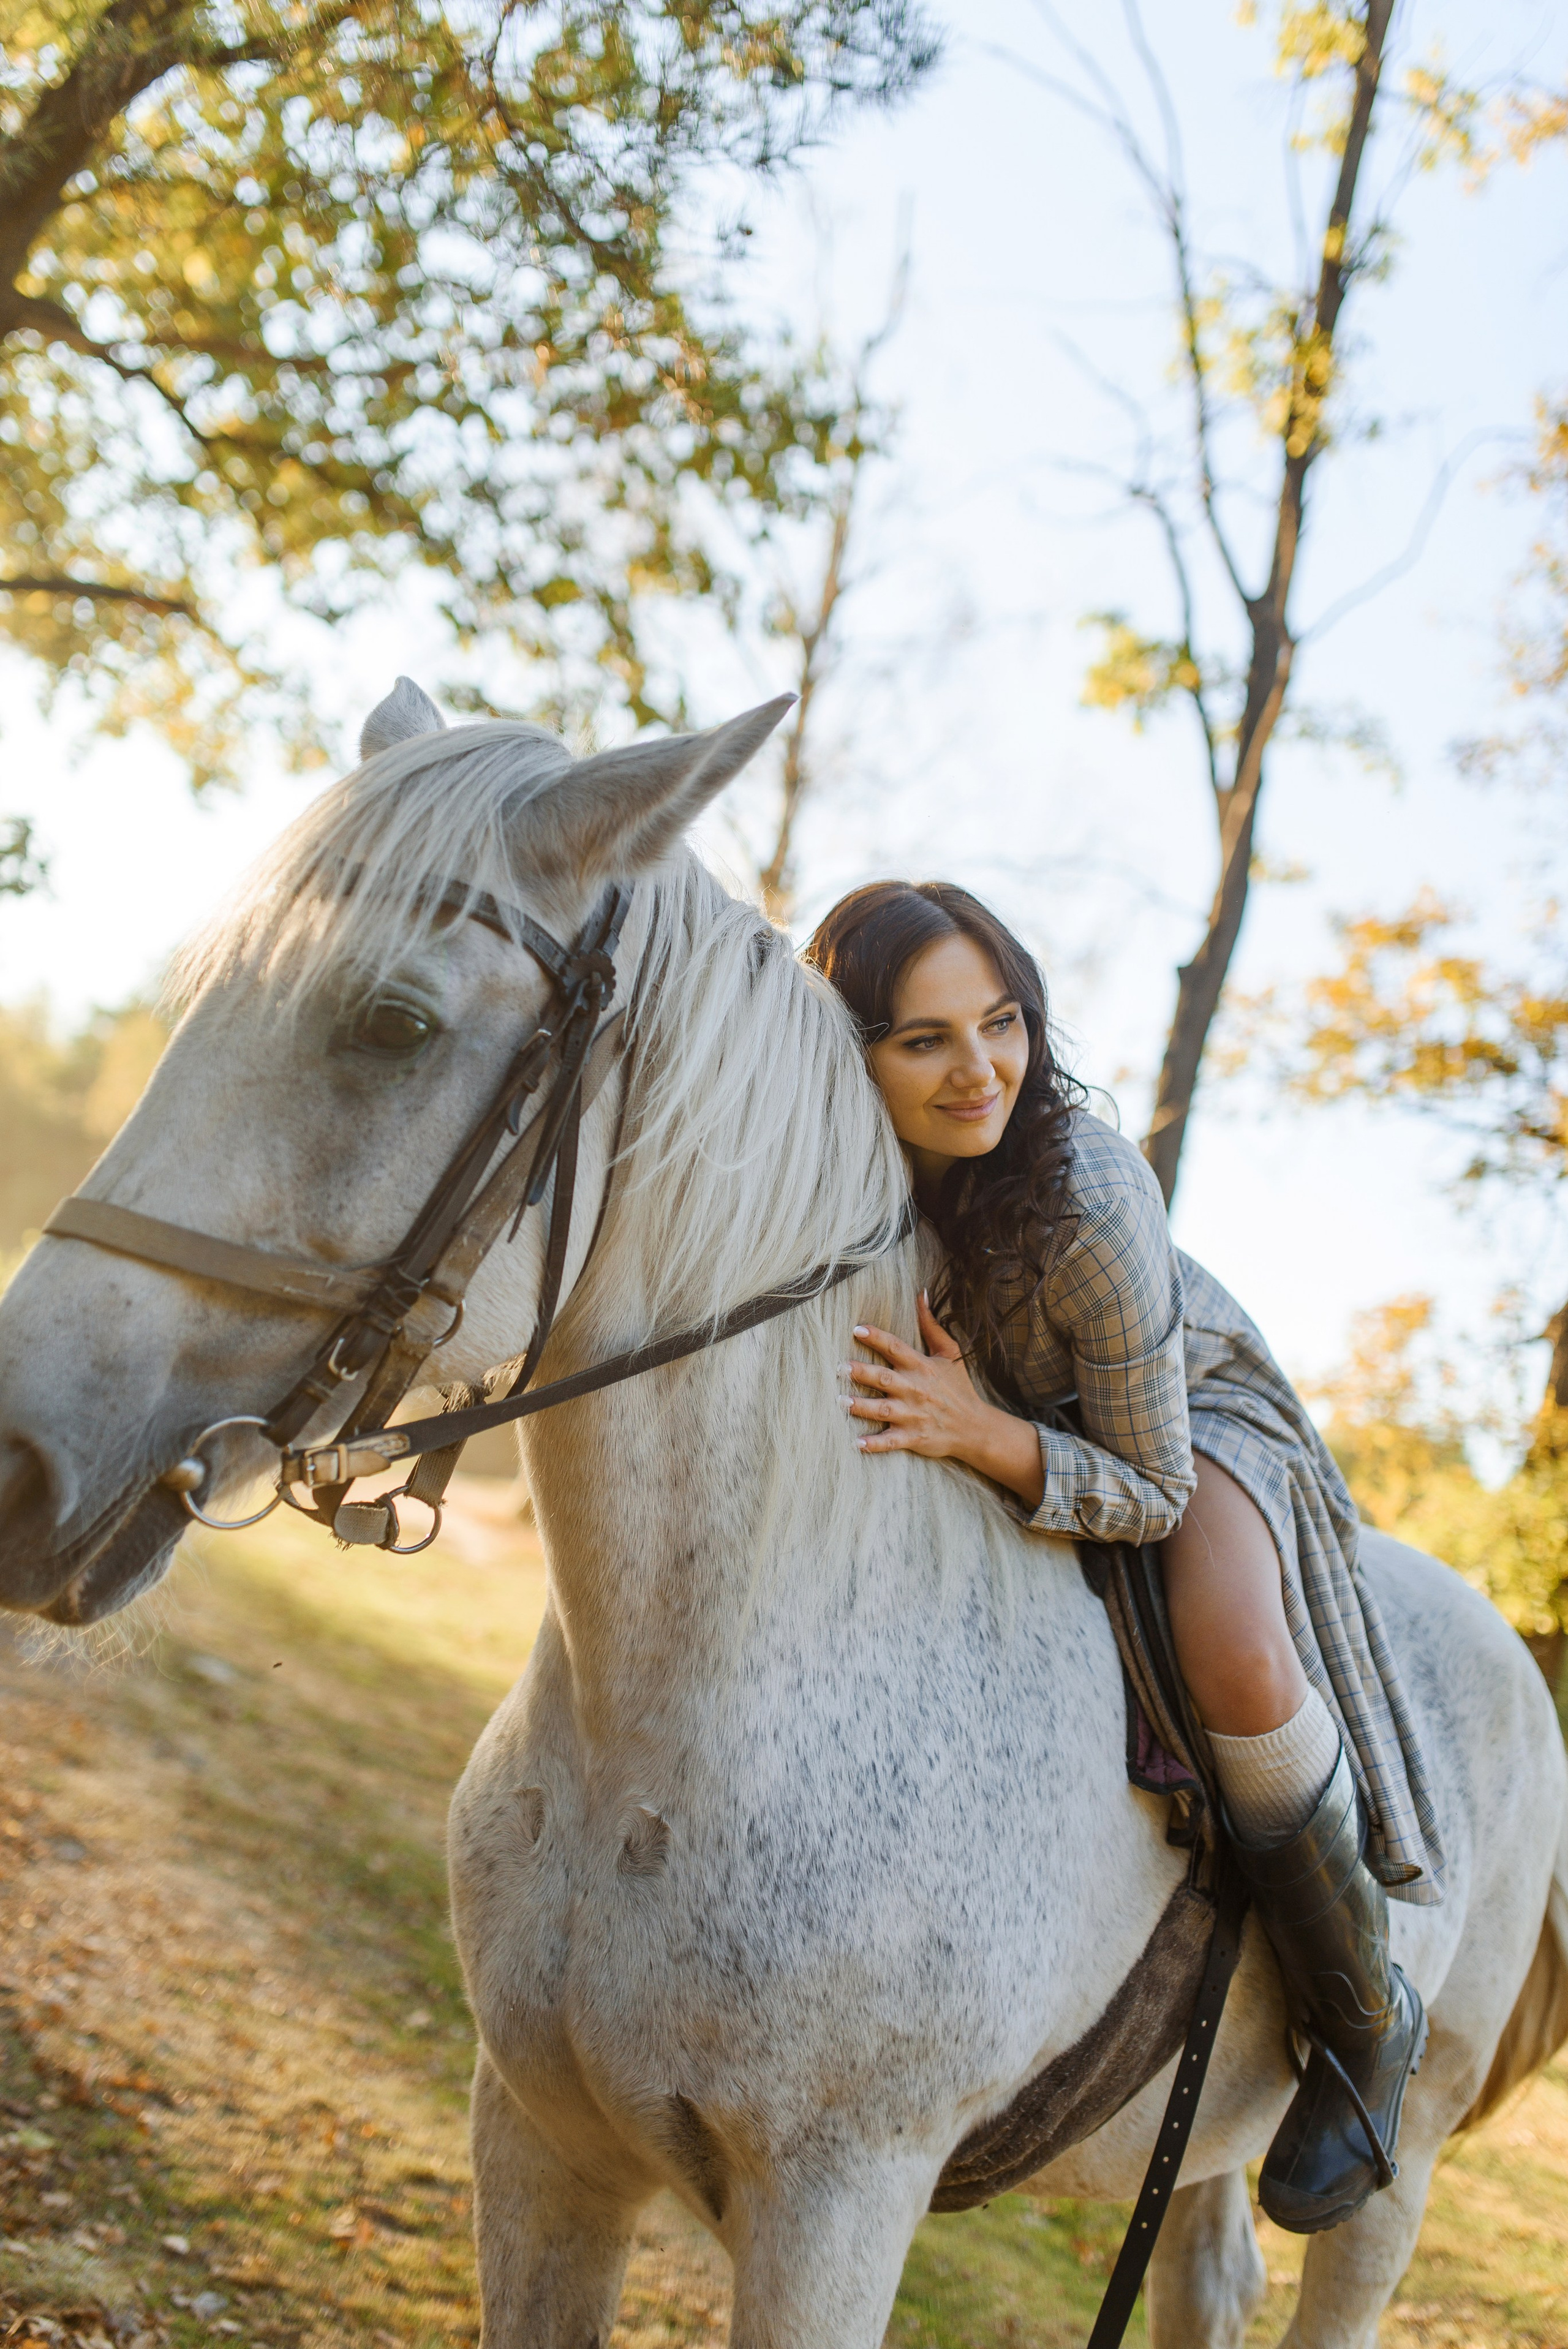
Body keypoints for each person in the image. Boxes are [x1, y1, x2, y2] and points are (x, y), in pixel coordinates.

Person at [804, 878, 1441, 2238]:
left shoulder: (1086, 1192)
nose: (979, 1071)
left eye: (1002, 1022)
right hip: (991, 1409)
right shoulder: (840, 1167)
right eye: (924, 1040)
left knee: (1231, 1646)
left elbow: (1149, 1488)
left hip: (1183, 1423)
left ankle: (1365, 2015)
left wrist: (984, 1436)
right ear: (852, 1049)